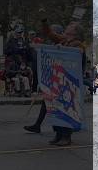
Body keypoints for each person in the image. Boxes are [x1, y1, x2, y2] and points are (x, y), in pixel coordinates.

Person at [24, 16, 86, 146]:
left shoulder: (78, 44)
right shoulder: (64, 40)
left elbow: (76, 55)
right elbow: (50, 34)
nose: (68, 25)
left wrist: (61, 50)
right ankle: (58, 134)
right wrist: (44, 21)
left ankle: (66, 136)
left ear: (74, 32)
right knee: (56, 108)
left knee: (67, 107)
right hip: (58, 79)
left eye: (71, 25)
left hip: (69, 81)